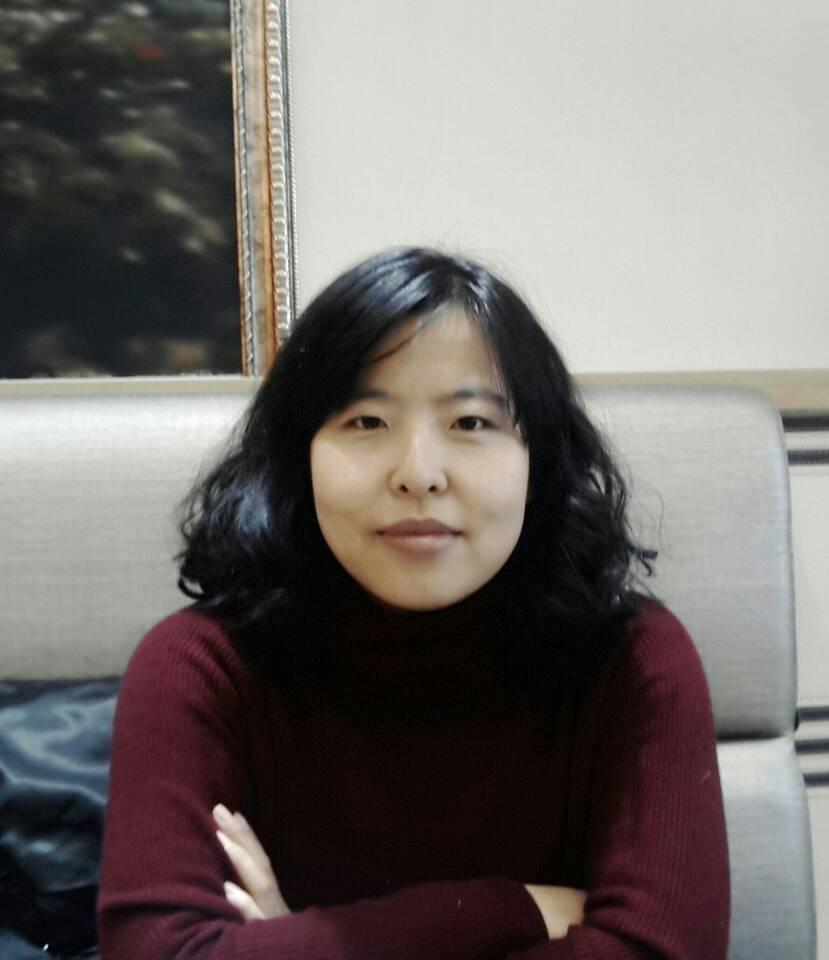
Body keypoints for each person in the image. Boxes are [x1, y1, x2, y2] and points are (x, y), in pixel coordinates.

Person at [98, 247, 730, 959]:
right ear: (296, 457)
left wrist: (292, 943)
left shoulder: (632, 659)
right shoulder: (201, 667)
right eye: (367, 422)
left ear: (541, 460)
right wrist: (514, 908)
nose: (419, 474)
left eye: (471, 423)